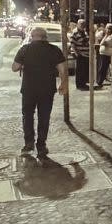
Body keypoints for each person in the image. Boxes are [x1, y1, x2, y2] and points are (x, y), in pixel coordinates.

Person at [12, 27, 68, 156]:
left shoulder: (25, 49)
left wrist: (24, 64)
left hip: (28, 89)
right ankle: (41, 145)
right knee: (44, 116)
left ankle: (28, 143)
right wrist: (63, 84)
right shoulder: (54, 50)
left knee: (27, 115)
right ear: (45, 37)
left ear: (32, 36)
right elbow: (63, 70)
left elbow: (15, 68)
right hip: (47, 89)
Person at [70, 19, 90, 90]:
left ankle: (83, 83)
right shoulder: (75, 32)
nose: (83, 25)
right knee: (79, 71)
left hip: (86, 54)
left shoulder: (84, 32)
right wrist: (77, 54)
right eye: (81, 24)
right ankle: (80, 85)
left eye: (84, 24)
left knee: (84, 70)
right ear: (77, 24)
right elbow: (72, 44)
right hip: (80, 54)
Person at [96, 23, 112, 88]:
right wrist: (105, 36)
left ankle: (100, 82)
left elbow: (102, 43)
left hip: (106, 54)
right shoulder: (106, 36)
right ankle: (99, 81)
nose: (107, 30)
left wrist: (105, 36)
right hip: (102, 53)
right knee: (100, 68)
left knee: (103, 68)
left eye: (109, 28)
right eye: (107, 28)